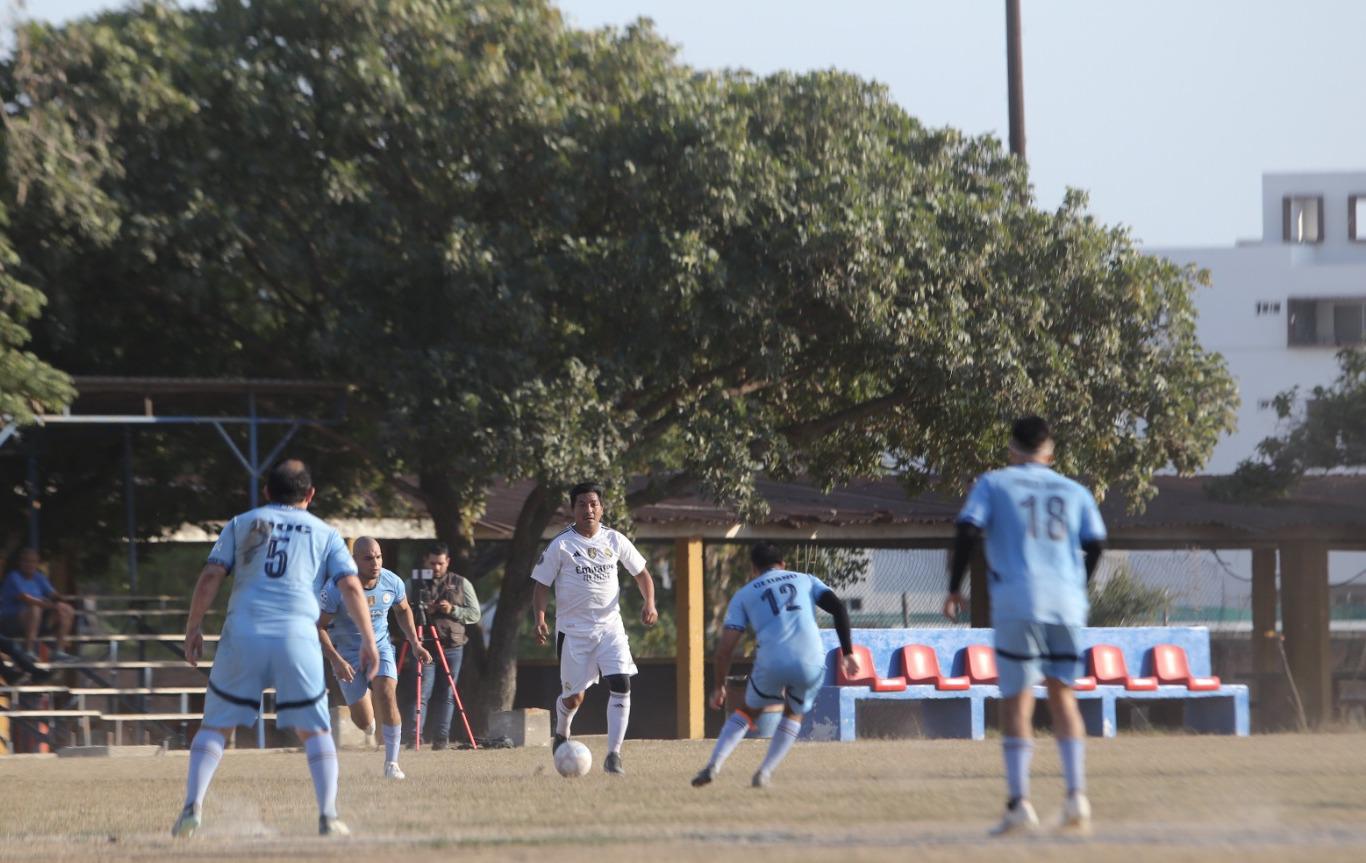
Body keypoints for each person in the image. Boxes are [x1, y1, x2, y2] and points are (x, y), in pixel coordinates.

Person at [171, 459, 379, 839]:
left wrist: (193, 626)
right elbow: (350, 585)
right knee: (315, 731)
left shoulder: (241, 523)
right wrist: (368, 639)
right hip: (297, 636)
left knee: (215, 726)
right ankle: (328, 815)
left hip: (242, 633)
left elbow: (212, 575)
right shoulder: (326, 532)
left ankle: (191, 807)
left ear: (266, 493)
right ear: (310, 495)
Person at [942, 416, 1106, 836]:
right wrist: (1078, 584)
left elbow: (967, 528)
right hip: (1067, 602)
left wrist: (954, 588)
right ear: (1049, 453)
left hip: (1018, 599)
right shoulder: (1075, 489)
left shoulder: (994, 483)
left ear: (1012, 450)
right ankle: (1077, 797)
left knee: (1017, 701)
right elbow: (1096, 542)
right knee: (1063, 695)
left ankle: (1020, 804)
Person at [691, 542, 859, 789]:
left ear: (753, 569)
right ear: (783, 564)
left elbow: (725, 649)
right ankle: (764, 773)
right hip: (810, 659)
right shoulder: (806, 579)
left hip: (772, 661)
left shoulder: (745, 594)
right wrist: (848, 652)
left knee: (749, 711)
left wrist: (718, 687)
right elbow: (838, 608)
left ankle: (714, 764)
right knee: (793, 712)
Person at [532, 481, 657, 775]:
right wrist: (540, 618)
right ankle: (562, 732)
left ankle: (614, 755)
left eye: (593, 504)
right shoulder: (561, 544)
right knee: (574, 697)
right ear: (572, 509)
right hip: (573, 631)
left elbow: (642, 575)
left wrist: (649, 603)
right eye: (582, 505)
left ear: (601, 508)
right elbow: (540, 586)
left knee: (621, 683)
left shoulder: (615, 540)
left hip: (610, 627)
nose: (588, 509)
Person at [318, 537, 431, 778]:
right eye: (368, 558)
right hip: (346, 654)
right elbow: (318, 627)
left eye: (378, 556)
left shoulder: (392, 581)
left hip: (380, 647)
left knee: (387, 691)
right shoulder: (335, 587)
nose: (375, 563)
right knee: (364, 723)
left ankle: (392, 764)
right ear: (355, 560)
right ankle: (366, 709)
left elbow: (403, 610)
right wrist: (336, 660)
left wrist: (415, 643)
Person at [402, 542, 481, 749]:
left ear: (448, 562)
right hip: (423, 644)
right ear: (425, 561)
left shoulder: (461, 583)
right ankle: (414, 738)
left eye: (440, 563)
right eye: (432, 563)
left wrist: (453, 610)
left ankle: (441, 740)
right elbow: (400, 610)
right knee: (421, 692)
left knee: (447, 694)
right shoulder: (414, 582)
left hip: (452, 645)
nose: (436, 568)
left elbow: (474, 614)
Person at [0, 548, 78, 661]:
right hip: (11, 621)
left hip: (38, 619)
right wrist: (51, 606)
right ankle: (29, 651)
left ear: (37, 563)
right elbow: (26, 599)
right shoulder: (13, 577)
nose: (29, 564)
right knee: (34, 609)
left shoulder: (39, 577)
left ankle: (59, 651)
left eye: (33, 561)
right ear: (20, 563)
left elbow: (53, 594)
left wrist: (61, 602)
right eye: (26, 561)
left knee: (67, 609)